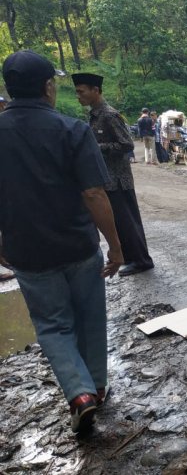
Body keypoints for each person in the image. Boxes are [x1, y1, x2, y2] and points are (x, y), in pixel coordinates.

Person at [0, 50, 123, 433]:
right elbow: (94, 195)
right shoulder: (72, 130)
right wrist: (116, 247)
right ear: (48, 87)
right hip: (77, 245)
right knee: (90, 316)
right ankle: (97, 386)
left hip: (27, 250)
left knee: (52, 325)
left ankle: (79, 393)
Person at [73, 72, 154, 276]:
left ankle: (141, 260)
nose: (78, 96)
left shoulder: (109, 115)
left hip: (118, 179)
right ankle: (132, 257)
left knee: (127, 221)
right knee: (118, 222)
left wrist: (97, 147)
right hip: (107, 179)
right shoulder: (94, 115)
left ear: (96, 91)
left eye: (81, 92)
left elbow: (126, 144)